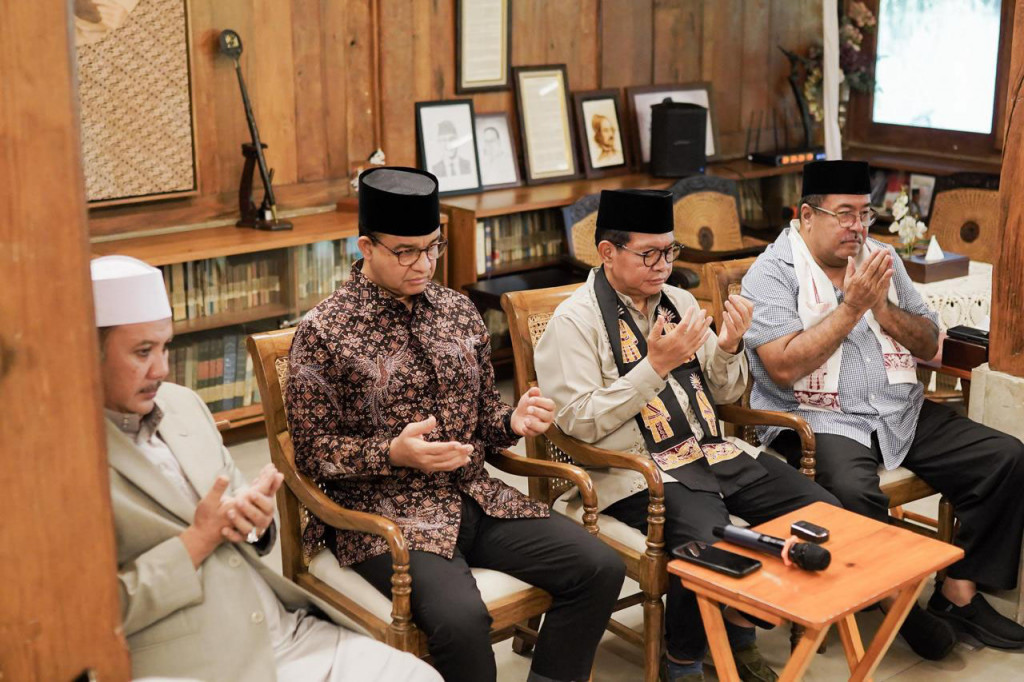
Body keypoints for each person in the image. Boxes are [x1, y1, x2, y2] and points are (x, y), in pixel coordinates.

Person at [285, 167, 625, 682]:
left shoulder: (458, 311)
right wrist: (392, 453)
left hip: (476, 497)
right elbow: (311, 451)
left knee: (599, 567)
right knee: (461, 622)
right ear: (366, 247)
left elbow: (484, 417)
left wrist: (512, 421)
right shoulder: (324, 331)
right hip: (385, 517)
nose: (424, 264)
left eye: (433, 247)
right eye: (406, 252)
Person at [534, 189, 839, 682]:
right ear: (608, 251)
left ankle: (740, 624)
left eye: (669, 251)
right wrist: (654, 367)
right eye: (648, 254)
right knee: (707, 539)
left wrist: (730, 346)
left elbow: (723, 393)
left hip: (712, 451)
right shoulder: (574, 321)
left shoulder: (677, 301)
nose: (663, 266)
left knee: (823, 515)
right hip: (638, 470)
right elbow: (578, 422)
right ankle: (682, 658)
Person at [93, 255, 440, 682]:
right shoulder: (64, 465)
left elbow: (242, 517)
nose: (161, 369)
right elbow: (92, 616)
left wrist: (255, 521)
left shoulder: (183, 404)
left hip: (284, 628)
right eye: (142, 352)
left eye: (165, 347)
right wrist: (197, 541)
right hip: (198, 660)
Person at [741, 160, 1024, 659]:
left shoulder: (881, 258)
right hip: (817, 417)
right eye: (844, 214)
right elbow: (782, 367)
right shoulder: (772, 273)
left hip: (897, 407)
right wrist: (850, 308)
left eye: (865, 214)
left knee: (1005, 458)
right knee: (851, 492)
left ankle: (958, 591)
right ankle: (903, 606)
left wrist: (881, 309)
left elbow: (929, 340)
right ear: (806, 215)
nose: (857, 227)